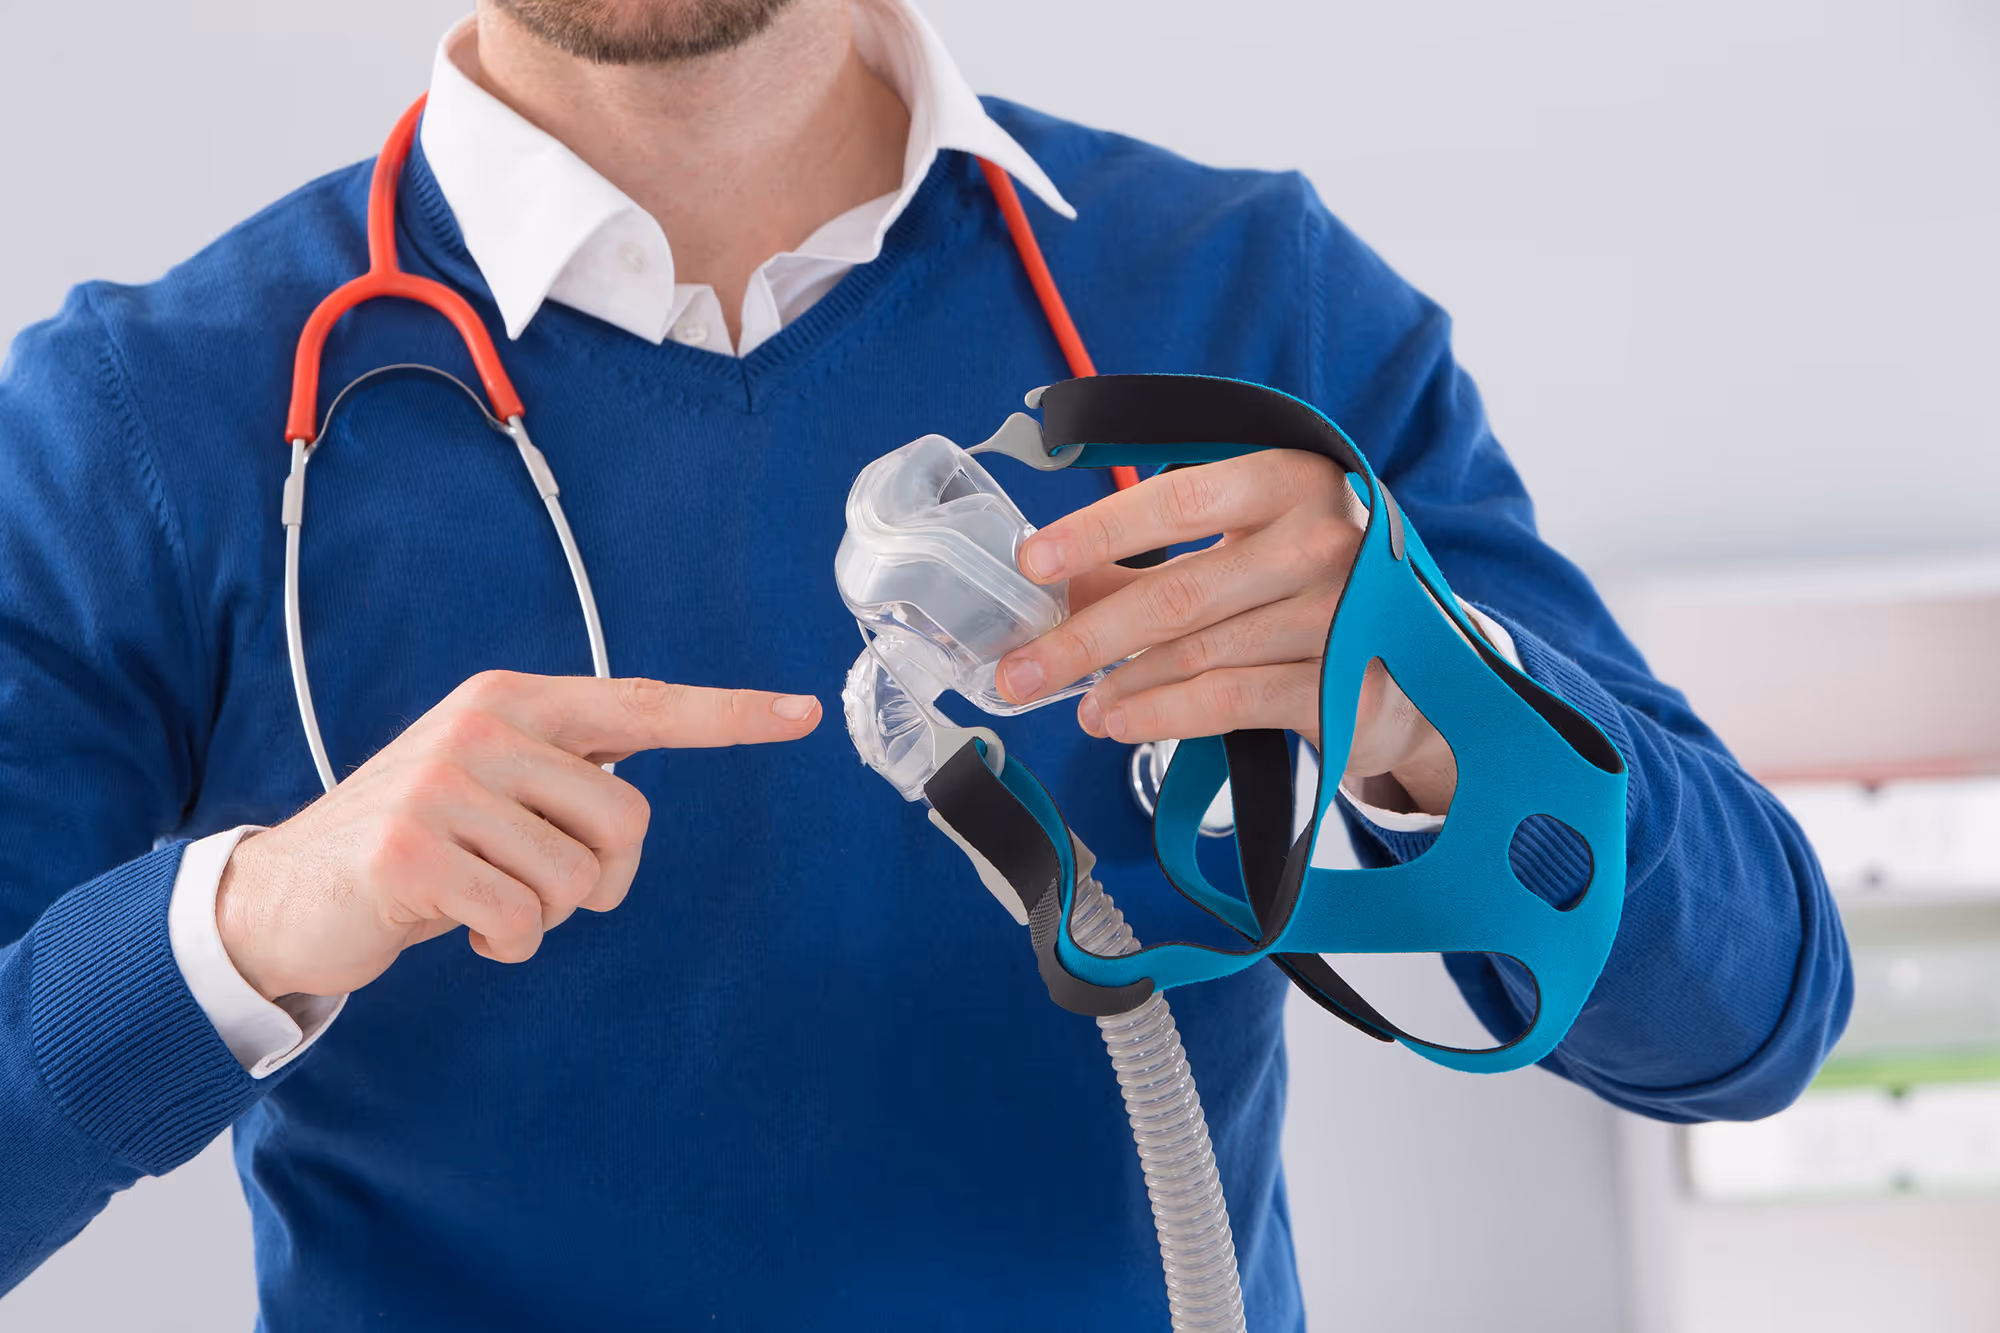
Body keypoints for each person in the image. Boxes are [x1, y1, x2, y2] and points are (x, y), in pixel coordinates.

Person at [0, 0, 1850, 1327]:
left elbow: (1759, 1014)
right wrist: (244, 922)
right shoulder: (149, 425)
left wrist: (1425, 704)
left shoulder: (1250, 313)